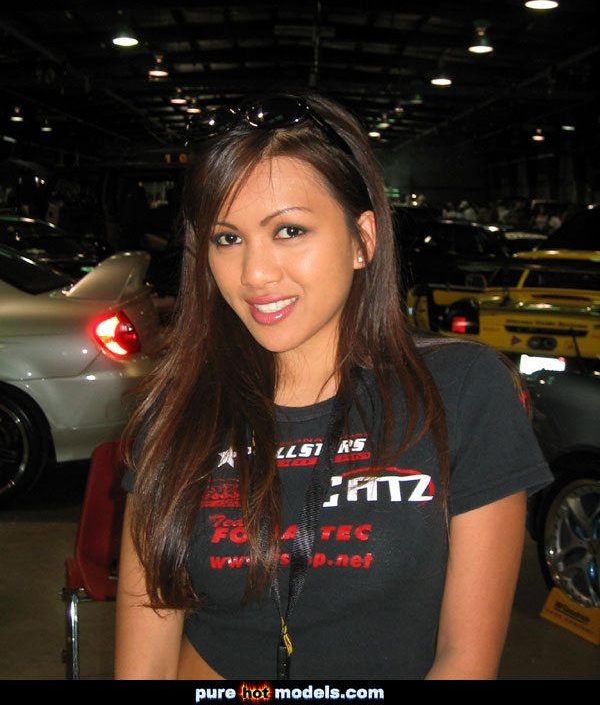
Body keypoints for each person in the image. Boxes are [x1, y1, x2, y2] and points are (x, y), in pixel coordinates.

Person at [115, 92, 552, 681]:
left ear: (362, 239)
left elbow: (465, 661)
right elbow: (144, 661)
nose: (254, 274)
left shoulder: (462, 390)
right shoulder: (178, 409)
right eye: (227, 238)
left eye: (289, 230)